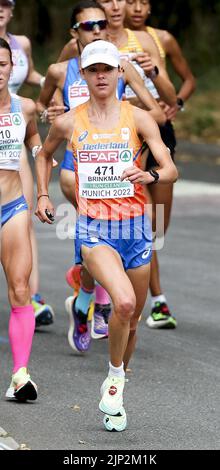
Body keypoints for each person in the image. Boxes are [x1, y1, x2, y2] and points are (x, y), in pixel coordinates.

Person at [35, 40, 178, 431]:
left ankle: (117, 378)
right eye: (93, 69)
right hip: (94, 228)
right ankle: (114, 375)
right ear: (83, 74)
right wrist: (44, 193)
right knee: (127, 303)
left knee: (131, 322)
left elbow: (169, 169)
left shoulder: (140, 119)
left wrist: (147, 175)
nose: (100, 75)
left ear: (119, 74)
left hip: (135, 227)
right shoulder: (69, 121)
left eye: (107, 69)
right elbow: (45, 154)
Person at [37, 0, 165, 344]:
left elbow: (159, 114)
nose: (95, 29)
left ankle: (84, 298)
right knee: (97, 234)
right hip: (76, 166)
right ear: (74, 32)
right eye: (87, 26)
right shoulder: (62, 69)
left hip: (121, 168)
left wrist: (132, 113)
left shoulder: (121, 67)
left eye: (100, 24)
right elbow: (41, 107)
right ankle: (94, 296)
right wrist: (51, 111)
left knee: (108, 239)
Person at [125, 0, 196, 328]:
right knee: (140, 220)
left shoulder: (161, 39)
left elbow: (186, 81)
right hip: (126, 133)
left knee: (157, 229)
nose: (136, 8)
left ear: (151, 7)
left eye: (143, 2)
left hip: (160, 131)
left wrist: (176, 104)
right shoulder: (105, 37)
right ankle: (158, 301)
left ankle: (134, 288)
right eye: (130, 2)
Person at [0, 0, 54, 326]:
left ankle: (29, 294)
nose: (0, 8)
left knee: (24, 209)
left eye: (6, 3)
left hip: (14, 125)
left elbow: (33, 74)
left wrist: (55, 84)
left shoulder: (22, 44)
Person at [0, 38, 41, 401]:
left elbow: (34, 142)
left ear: (12, 67)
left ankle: (20, 375)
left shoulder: (24, 107)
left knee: (20, 288)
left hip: (12, 206)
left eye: (1, 64)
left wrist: (42, 186)